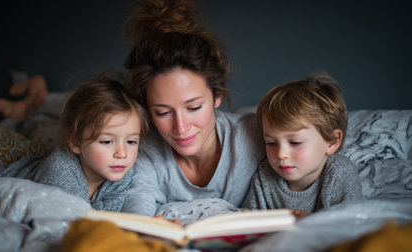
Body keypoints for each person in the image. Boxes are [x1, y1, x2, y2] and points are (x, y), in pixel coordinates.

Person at [120, 0, 265, 216]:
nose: (181, 127)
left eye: (194, 107)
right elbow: (138, 203)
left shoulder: (256, 137)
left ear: (217, 96)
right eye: (163, 112)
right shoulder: (143, 148)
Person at [0, 72, 149, 211]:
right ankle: (22, 115)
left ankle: (29, 106)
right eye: (107, 141)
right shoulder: (61, 171)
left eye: (131, 142)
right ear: (75, 143)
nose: (122, 153)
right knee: (34, 128)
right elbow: (69, 220)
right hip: (16, 185)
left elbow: (109, 214)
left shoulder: (123, 170)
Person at [242, 71, 363, 219]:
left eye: (295, 142)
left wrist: (310, 222)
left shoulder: (340, 173)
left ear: (331, 141)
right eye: (271, 143)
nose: (280, 154)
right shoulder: (264, 174)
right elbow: (248, 221)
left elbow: (351, 226)